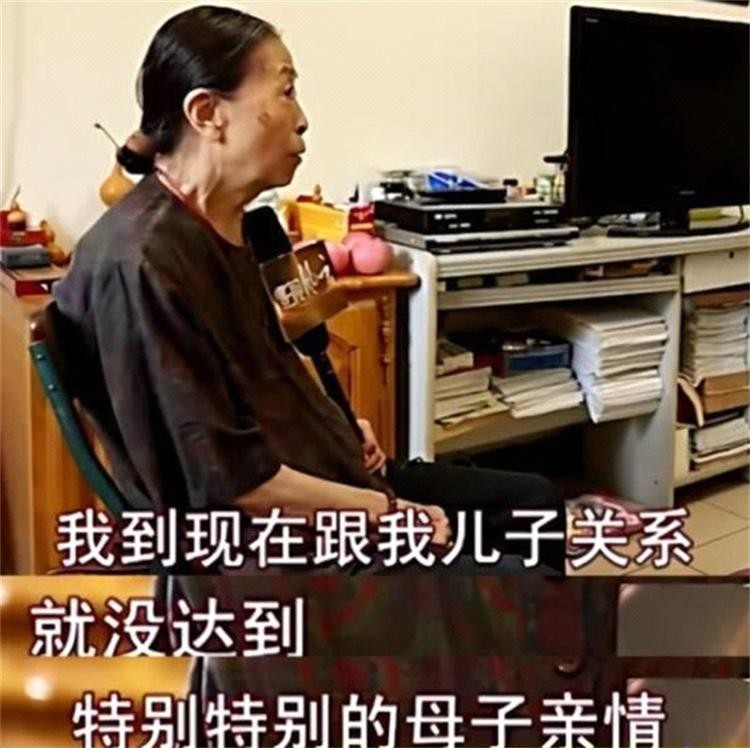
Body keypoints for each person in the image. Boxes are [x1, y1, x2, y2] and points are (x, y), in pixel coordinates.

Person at [54, 4, 565, 574]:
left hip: (310, 477)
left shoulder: (230, 228)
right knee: (520, 579)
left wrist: (334, 428)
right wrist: (386, 511)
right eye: (286, 91)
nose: (302, 120)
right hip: (259, 545)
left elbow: (261, 380)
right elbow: (226, 483)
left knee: (533, 503)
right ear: (207, 113)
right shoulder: (143, 261)